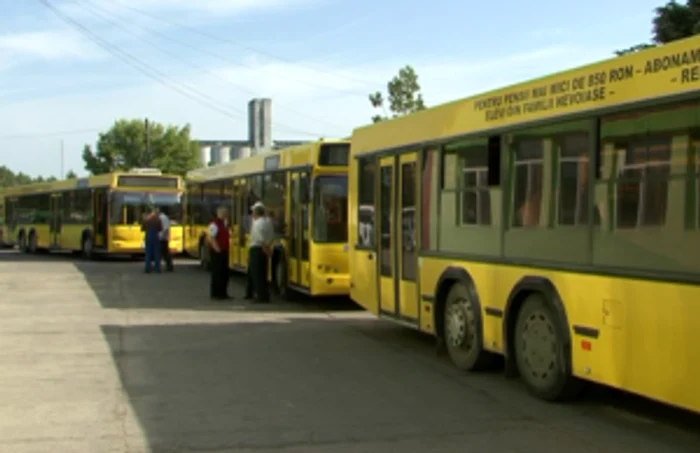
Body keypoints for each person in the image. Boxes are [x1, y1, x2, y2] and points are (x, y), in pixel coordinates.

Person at [245, 201, 274, 303]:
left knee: (257, 274)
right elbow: (271, 236)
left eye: (253, 211)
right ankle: (264, 294)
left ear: (256, 213)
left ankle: (260, 296)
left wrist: (265, 248)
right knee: (263, 273)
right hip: (265, 248)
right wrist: (268, 249)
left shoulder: (257, 223)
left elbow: (260, 238)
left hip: (257, 249)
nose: (252, 213)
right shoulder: (268, 222)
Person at [208, 206, 232, 300]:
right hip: (218, 252)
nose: (225, 214)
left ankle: (223, 293)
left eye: (226, 212)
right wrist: (217, 249)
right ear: (219, 213)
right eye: (223, 213)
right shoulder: (214, 224)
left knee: (224, 273)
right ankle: (216, 293)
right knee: (217, 273)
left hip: (224, 251)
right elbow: (211, 238)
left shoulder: (225, 223)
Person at [141, 206, 162, 274]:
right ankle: (157, 268)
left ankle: (148, 268)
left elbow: (142, 229)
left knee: (148, 253)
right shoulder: (158, 219)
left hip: (148, 235)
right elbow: (160, 228)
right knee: (156, 253)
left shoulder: (146, 219)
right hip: (155, 236)